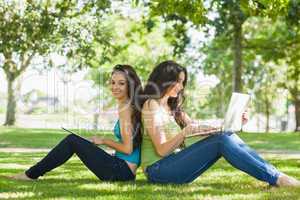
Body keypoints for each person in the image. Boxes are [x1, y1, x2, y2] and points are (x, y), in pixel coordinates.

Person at [140, 60, 300, 187]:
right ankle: (277, 178)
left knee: (223, 135)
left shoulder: (174, 109)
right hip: (157, 170)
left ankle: (276, 176)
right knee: (221, 140)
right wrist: (184, 132)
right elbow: (161, 150)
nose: (181, 87)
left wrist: (234, 122)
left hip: (172, 166)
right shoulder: (151, 105)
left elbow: (199, 129)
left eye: (183, 82)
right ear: (164, 80)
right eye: (178, 81)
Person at [12, 64, 143, 182]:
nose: (115, 87)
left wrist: (103, 141)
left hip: (120, 171)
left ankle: (30, 175)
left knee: (72, 141)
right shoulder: (129, 106)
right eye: (113, 82)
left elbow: (128, 149)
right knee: (75, 141)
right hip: (122, 168)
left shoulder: (126, 109)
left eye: (121, 83)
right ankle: (31, 173)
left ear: (130, 85)